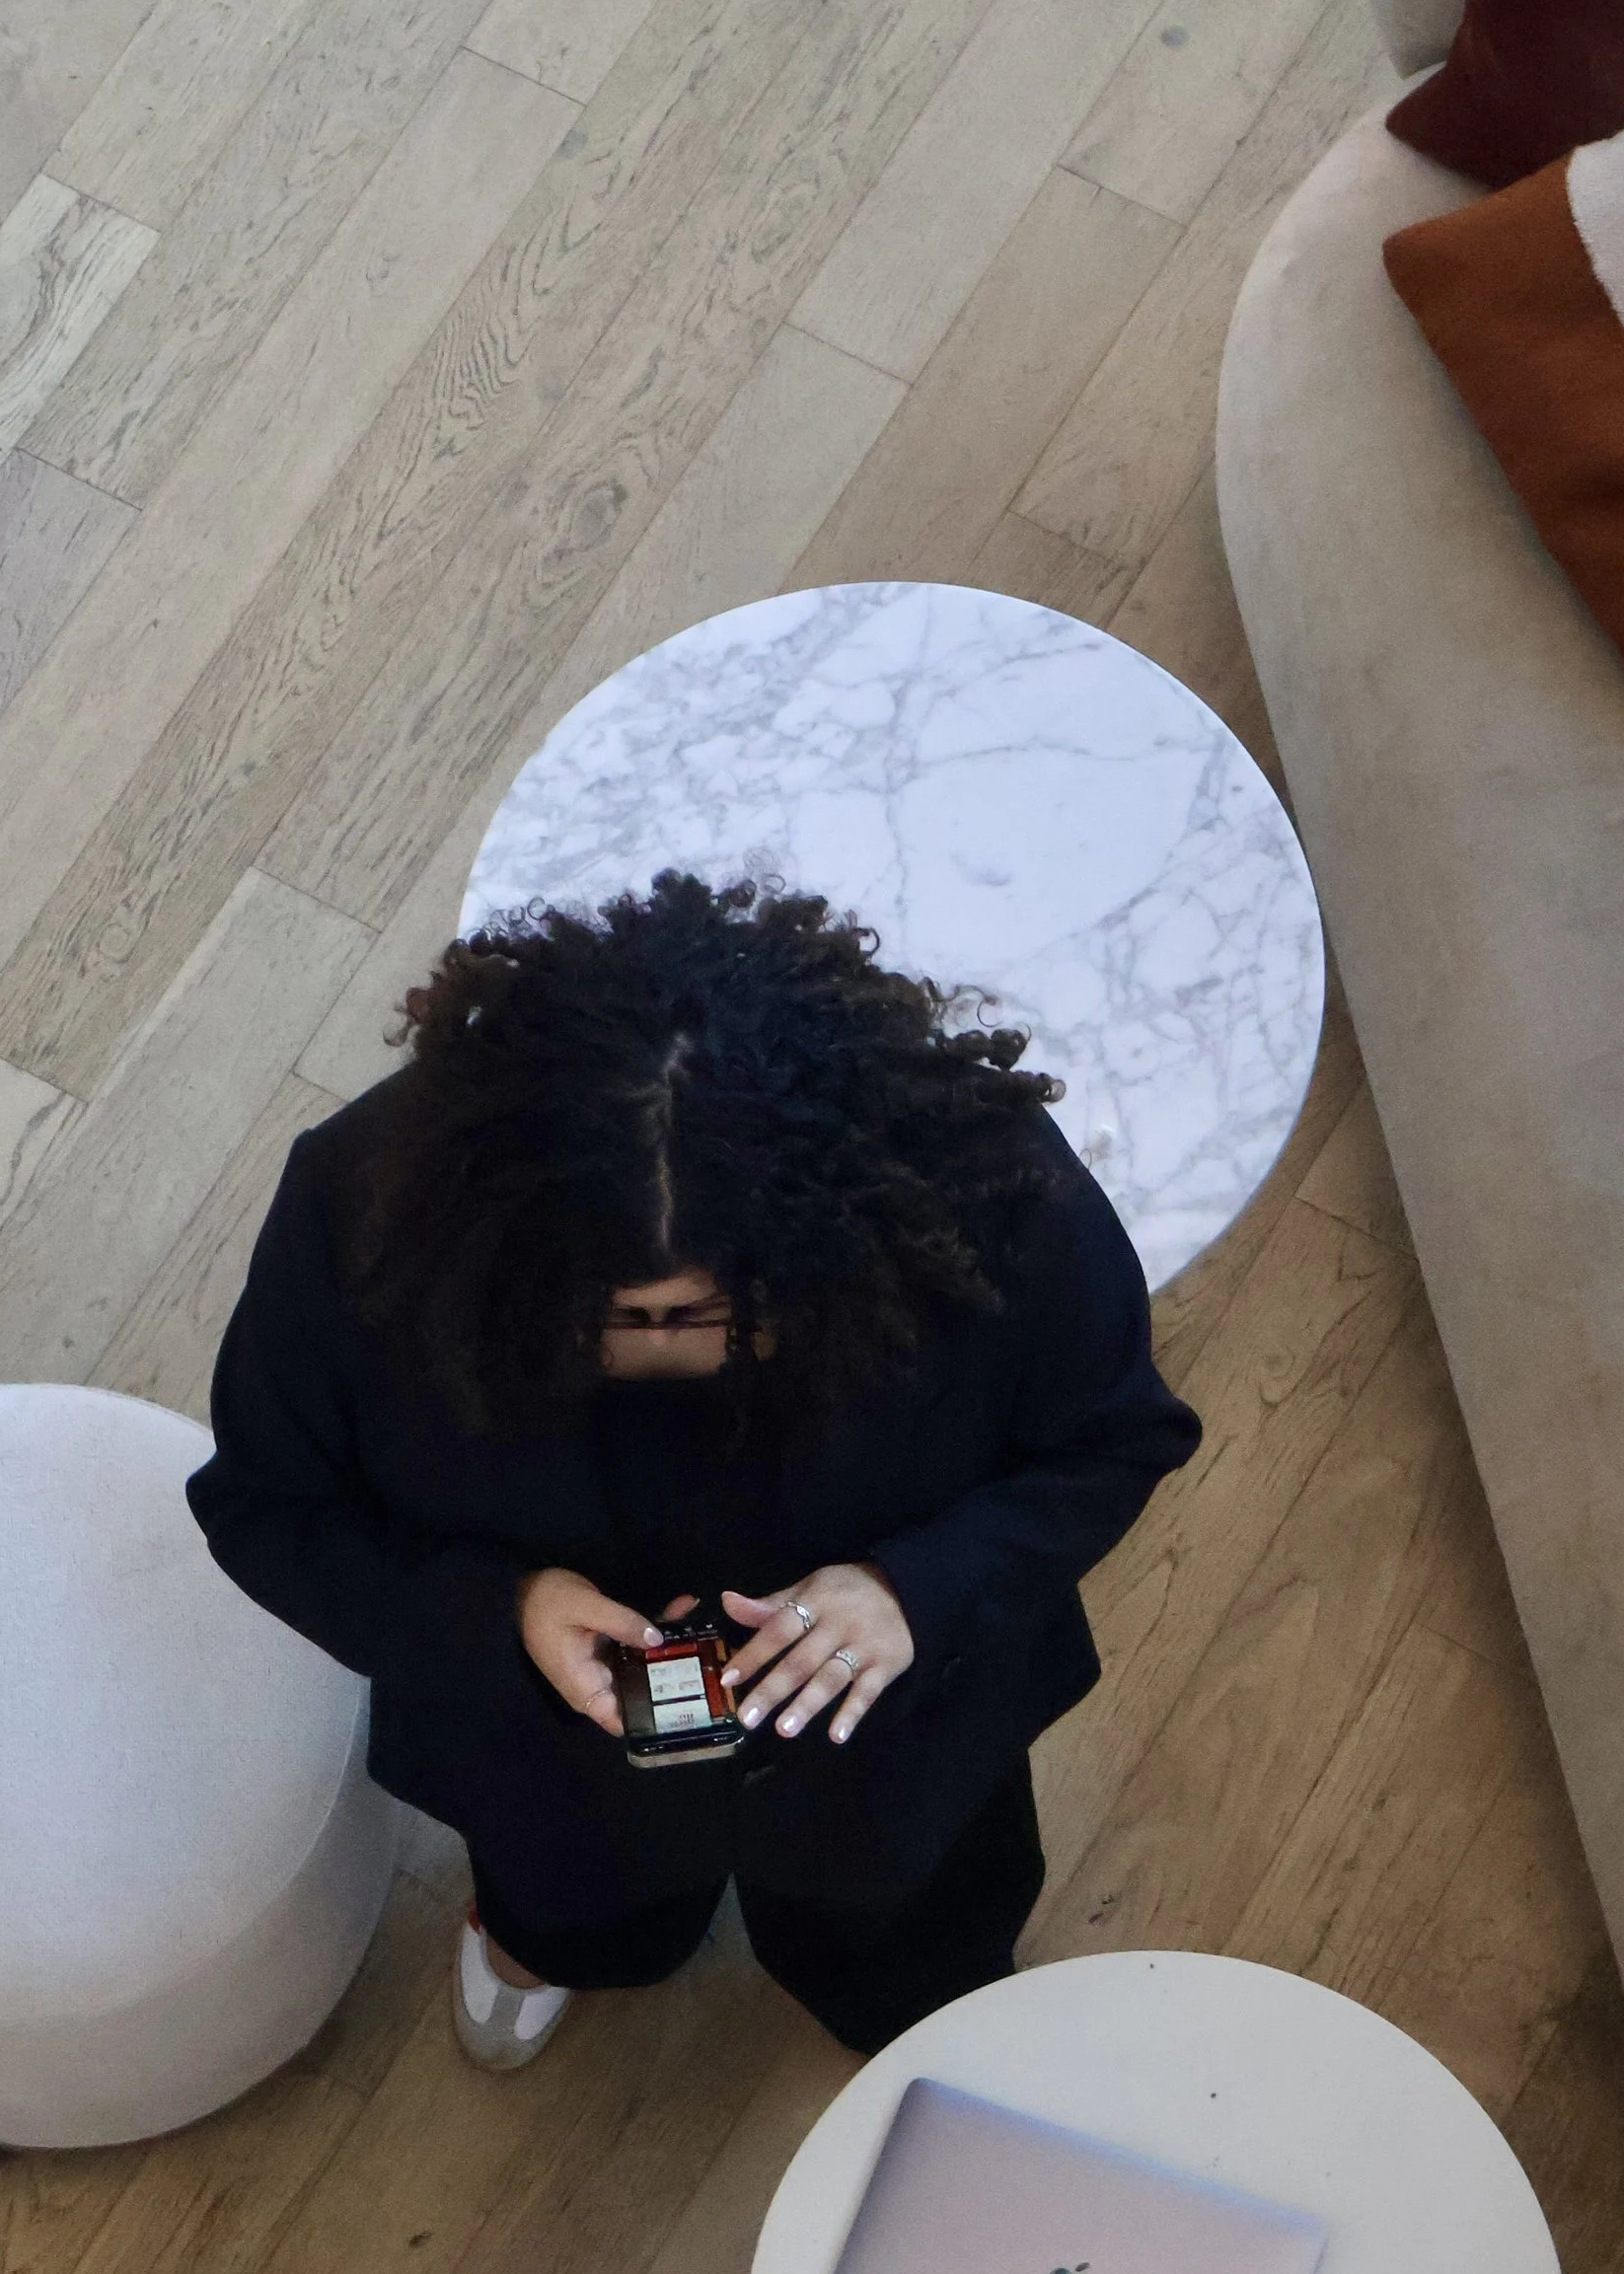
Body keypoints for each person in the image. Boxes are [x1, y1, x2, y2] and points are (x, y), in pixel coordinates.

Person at [189, 873, 1201, 2067]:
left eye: (725, 1309)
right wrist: (494, 1610)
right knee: (570, 1891)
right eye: (623, 1315)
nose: (678, 1351)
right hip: (546, 1750)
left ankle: (903, 1998)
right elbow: (265, 1506)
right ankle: (555, 1939)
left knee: (908, 1941)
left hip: (891, 1740)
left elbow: (1114, 1436)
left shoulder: (981, 1188)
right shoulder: (361, 1210)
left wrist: (913, 1589)